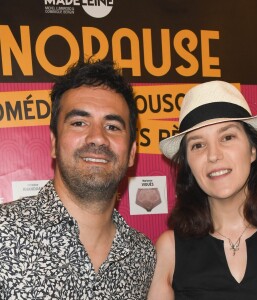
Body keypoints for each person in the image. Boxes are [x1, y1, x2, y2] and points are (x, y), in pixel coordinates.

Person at [0, 59, 156, 299]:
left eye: (113, 126)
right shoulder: (5, 233)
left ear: (132, 153)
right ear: (54, 143)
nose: (98, 138)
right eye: (79, 123)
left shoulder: (143, 256)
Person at [147, 80, 257, 299]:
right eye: (198, 145)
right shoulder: (170, 249)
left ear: (253, 150)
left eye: (227, 137)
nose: (213, 155)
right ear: (188, 163)